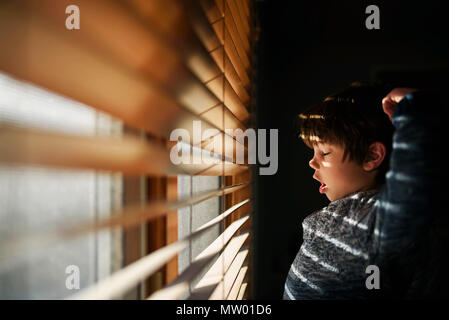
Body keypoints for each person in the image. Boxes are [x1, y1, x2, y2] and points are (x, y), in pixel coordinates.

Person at [283, 82, 449, 299]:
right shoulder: (349, 215)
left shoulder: (376, 218)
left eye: (324, 153)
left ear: (372, 156)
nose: (312, 162)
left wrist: (414, 110)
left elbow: (411, 189)